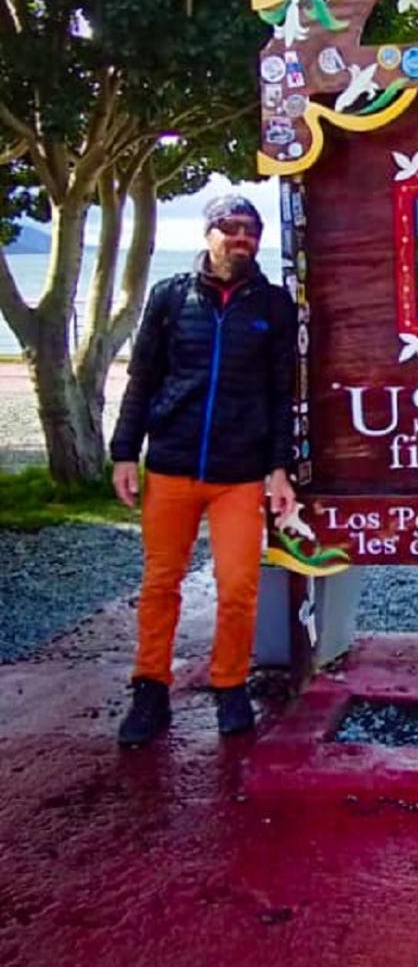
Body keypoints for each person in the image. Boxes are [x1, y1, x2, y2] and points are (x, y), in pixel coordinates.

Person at [110, 194, 296, 747]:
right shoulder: (170, 297)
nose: (242, 238)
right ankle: (150, 690)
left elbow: (282, 394)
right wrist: (125, 452)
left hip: (239, 473)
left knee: (238, 587)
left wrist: (279, 468)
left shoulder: (273, 305)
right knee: (160, 583)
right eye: (231, 227)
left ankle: (230, 685)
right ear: (208, 233)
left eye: (252, 230)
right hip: (171, 465)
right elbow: (142, 379)